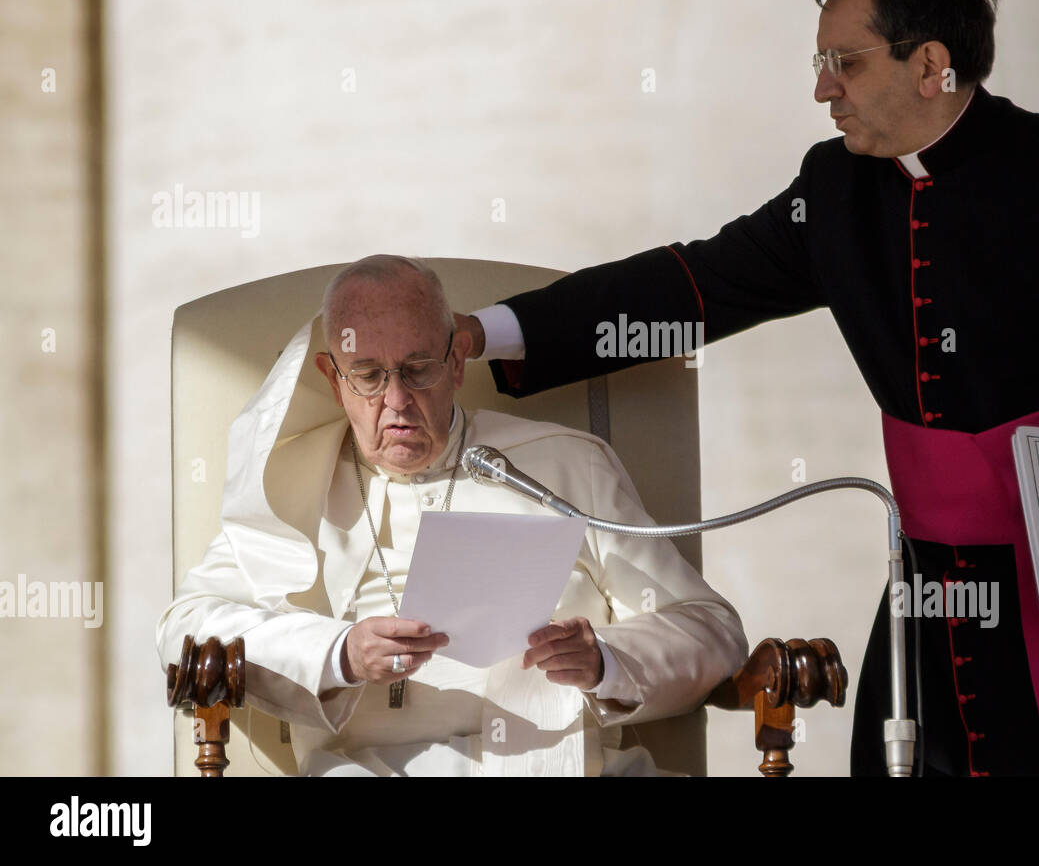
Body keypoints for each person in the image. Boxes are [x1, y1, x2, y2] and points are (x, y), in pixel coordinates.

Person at [458, 0, 1039, 775]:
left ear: (932, 64)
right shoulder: (836, 190)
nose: (824, 89)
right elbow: (694, 287)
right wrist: (486, 331)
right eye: (819, 63)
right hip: (940, 584)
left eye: (846, 63)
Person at [156, 254, 748, 776]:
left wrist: (607, 660)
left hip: (567, 768)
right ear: (333, 380)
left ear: (458, 360)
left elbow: (711, 630)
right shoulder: (286, 485)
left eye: (418, 369)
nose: (397, 400)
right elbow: (184, 628)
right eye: (367, 375)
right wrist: (338, 652)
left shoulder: (565, 465)